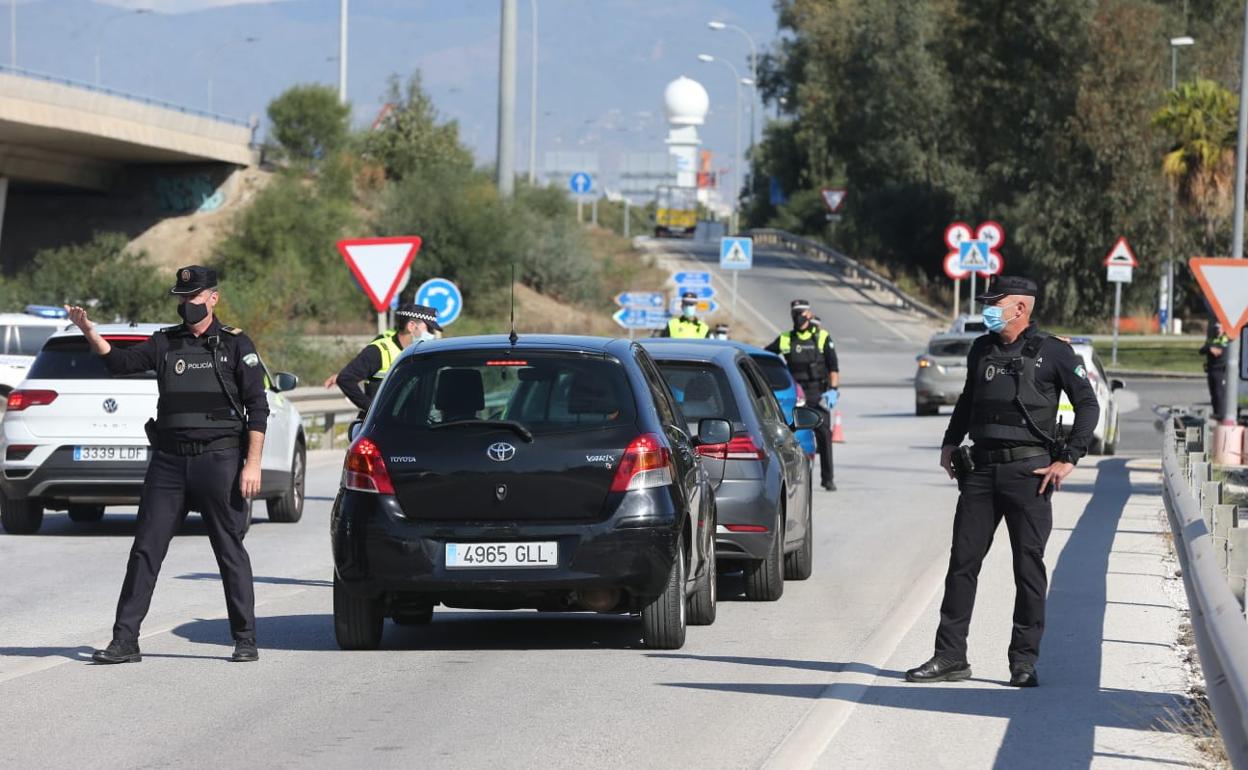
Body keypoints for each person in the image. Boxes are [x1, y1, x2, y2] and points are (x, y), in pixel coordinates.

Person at [66, 265, 270, 664]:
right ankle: (125, 641)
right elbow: (120, 363)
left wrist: (253, 465)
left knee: (229, 550)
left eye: (192, 298)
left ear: (213, 297)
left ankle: (245, 638)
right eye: (181, 298)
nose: (185, 305)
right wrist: (89, 331)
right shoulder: (164, 344)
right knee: (145, 549)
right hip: (169, 464)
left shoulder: (235, 344)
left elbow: (257, 408)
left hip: (220, 460)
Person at [906, 275, 1099, 688]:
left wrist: (1069, 458)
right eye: (987, 302)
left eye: (996, 302)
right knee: (962, 564)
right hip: (980, 471)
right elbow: (967, 400)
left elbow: (1087, 405)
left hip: (1030, 474)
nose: (987, 309)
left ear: (1021, 309)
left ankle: (1023, 662)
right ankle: (950, 656)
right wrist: (949, 442)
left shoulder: (1054, 352)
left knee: (1027, 569)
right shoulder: (982, 348)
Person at [766, 299, 838, 491]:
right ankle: (791, 476)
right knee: (791, 437)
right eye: (795, 313)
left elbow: (833, 366)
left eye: (801, 312)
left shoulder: (821, 337)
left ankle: (827, 478)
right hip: (795, 395)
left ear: (809, 314)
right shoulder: (786, 338)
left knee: (824, 434)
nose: (798, 316)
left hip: (818, 393)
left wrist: (833, 390)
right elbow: (765, 357)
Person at [336, 303, 442, 413]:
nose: (431, 335)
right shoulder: (380, 350)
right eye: (428, 329)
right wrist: (372, 410)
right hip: (382, 427)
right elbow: (345, 378)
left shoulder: (420, 353)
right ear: (411, 326)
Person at [1200, 321, 1231, 421]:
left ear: (1224, 329)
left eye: (1220, 328)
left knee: (1219, 394)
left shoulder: (1226, 340)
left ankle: (1221, 415)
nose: (1217, 330)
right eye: (1216, 328)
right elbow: (1201, 350)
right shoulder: (1211, 339)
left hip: (1221, 370)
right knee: (1213, 394)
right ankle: (1216, 413)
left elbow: (1219, 352)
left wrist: (1212, 349)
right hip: (1211, 370)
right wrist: (1209, 348)